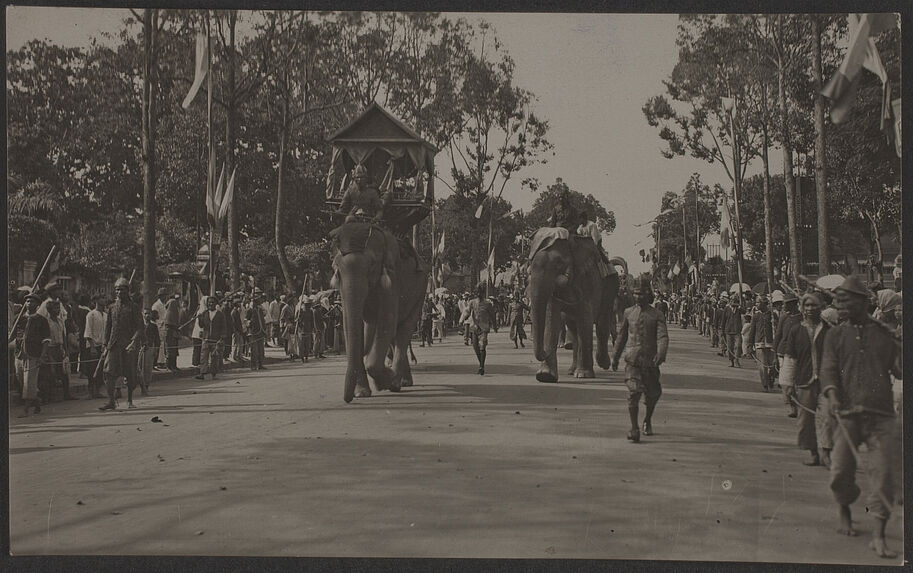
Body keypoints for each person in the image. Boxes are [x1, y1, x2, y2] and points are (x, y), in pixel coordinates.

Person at [821, 276, 901, 559]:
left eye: (848, 300)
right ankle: (844, 508)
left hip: (881, 414)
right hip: (846, 413)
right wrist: (831, 396)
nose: (842, 305)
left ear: (865, 302)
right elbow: (829, 370)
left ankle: (878, 535)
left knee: (883, 475)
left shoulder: (884, 333)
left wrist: (901, 343)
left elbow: (900, 370)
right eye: (839, 300)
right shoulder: (835, 335)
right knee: (840, 471)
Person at [611, 275, 668, 443]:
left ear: (648, 294)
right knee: (634, 393)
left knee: (653, 394)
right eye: (635, 293)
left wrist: (661, 353)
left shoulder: (656, 314)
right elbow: (621, 337)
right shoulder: (628, 313)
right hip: (632, 362)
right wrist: (615, 357)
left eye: (642, 293)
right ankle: (634, 428)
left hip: (650, 362)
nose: (638, 297)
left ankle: (647, 419)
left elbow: (662, 336)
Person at [779, 292, 830, 467]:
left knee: (828, 417)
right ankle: (813, 452)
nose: (810, 309)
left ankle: (827, 452)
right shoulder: (796, 330)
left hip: (826, 383)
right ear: (802, 308)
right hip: (805, 381)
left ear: (821, 307)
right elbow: (791, 357)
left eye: (814, 305)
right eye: (807, 305)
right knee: (806, 420)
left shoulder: (829, 329)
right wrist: (787, 383)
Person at [99, 278, 145, 411]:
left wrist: (134, 341)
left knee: (130, 374)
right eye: (117, 289)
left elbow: (139, 327)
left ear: (128, 291)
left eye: (122, 289)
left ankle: (130, 399)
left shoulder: (134, 307)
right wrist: (104, 344)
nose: (119, 292)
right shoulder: (112, 308)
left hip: (128, 346)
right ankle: (111, 401)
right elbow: (108, 328)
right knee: (108, 372)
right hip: (113, 345)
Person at [19, 292, 47, 416]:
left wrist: (42, 356)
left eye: (32, 301)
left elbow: (46, 340)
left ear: (37, 304)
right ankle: (37, 402)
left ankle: (25, 409)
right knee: (21, 380)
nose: (29, 303)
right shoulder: (19, 318)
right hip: (19, 355)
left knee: (29, 382)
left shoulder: (41, 320)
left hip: (34, 354)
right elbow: (12, 335)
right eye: (27, 301)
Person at [460, 284, 498, 375]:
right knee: (475, 347)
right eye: (477, 292)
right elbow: (467, 311)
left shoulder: (488, 304)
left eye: (480, 292)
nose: (479, 294)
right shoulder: (472, 302)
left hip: (484, 327)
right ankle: (481, 363)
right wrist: (462, 320)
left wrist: (495, 326)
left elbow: (493, 316)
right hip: (474, 327)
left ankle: (481, 366)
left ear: (483, 293)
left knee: (482, 345)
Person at [774, 292, 801, 417]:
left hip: (798, 353)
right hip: (783, 352)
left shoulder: (802, 317)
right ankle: (792, 406)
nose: (784, 306)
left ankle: (798, 405)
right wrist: (774, 352)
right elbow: (778, 335)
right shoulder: (784, 317)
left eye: (786, 304)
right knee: (786, 382)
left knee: (797, 381)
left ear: (794, 304)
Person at [747, 296, 777, 392]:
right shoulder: (755, 316)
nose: (756, 305)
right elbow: (752, 331)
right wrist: (749, 344)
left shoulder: (772, 315)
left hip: (771, 343)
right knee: (762, 366)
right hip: (759, 343)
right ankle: (765, 384)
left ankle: (771, 378)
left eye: (758, 303)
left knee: (772, 364)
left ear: (764, 303)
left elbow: (778, 329)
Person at [196, 295, 227, 380]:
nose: (210, 304)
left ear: (216, 304)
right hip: (206, 339)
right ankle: (202, 373)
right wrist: (199, 319)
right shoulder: (205, 313)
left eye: (212, 302)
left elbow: (224, 326)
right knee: (203, 357)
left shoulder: (220, 315)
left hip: (216, 340)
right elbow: (201, 325)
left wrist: (222, 337)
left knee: (214, 358)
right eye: (209, 302)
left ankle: (213, 374)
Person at [83, 294, 107, 399]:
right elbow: (88, 332)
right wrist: (92, 347)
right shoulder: (91, 314)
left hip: (103, 346)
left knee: (101, 369)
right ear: (96, 300)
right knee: (92, 369)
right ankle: (90, 391)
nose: (104, 300)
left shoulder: (106, 315)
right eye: (102, 298)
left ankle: (97, 390)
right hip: (93, 345)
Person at [137, 308, 159, 394]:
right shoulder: (140, 325)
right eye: (145, 313)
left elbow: (157, 340)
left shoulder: (154, 326)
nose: (147, 315)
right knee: (139, 368)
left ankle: (146, 386)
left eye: (149, 313)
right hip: (140, 348)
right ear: (143, 314)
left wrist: (156, 350)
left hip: (150, 348)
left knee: (148, 368)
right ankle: (141, 385)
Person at [246, 289, 267, 370]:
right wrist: (249, 323)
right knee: (254, 351)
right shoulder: (249, 310)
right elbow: (246, 320)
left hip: (260, 332)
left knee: (261, 350)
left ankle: (260, 364)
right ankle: (253, 365)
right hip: (253, 332)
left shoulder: (260, 309)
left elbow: (264, 317)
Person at [163, 293, 182, 372]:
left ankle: (174, 365)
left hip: (174, 333)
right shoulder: (168, 314)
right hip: (169, 333)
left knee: (175, 349)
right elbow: (169, 324)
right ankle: (169, 366)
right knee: (170, 350)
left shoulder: (175, 313)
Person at [722, 296, 743, 368]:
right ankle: (731, 361)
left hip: (737, 330)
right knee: (730, 347)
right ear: (730, 301)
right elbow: (723, 320)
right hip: (728, 330)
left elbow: (744, 311)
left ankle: (736, 360)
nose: (733, 303)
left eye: (735, 301)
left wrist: (740, 305)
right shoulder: (727, 309)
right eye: (732, 301)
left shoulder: (739, 309)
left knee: (738, 346)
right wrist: (722, 331)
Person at [151, 287, 168, 369]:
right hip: (158, 326)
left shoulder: (164, 305)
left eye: (165, 295)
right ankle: (159, 362)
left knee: (162, 344)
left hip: (163, 327)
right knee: (159, 344)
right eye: (163, 296)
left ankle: (162, 361)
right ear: (160, 296)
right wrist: (160, 323)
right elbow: (154, 317)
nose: (165, 297)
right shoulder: (156, 305)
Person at [294, 297, 315, 362]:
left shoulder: (311, 311)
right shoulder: (300, 311)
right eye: (307, 304)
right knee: (301, 345)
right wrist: (298, 320)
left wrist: (313, 328)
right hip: (301, 330)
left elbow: (312, 320)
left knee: (307, 344)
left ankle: (306, 356)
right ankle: (302, 357)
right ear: (304, 304)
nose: (308, 306)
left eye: (309, 304)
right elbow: (296, 320)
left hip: (308, 329)